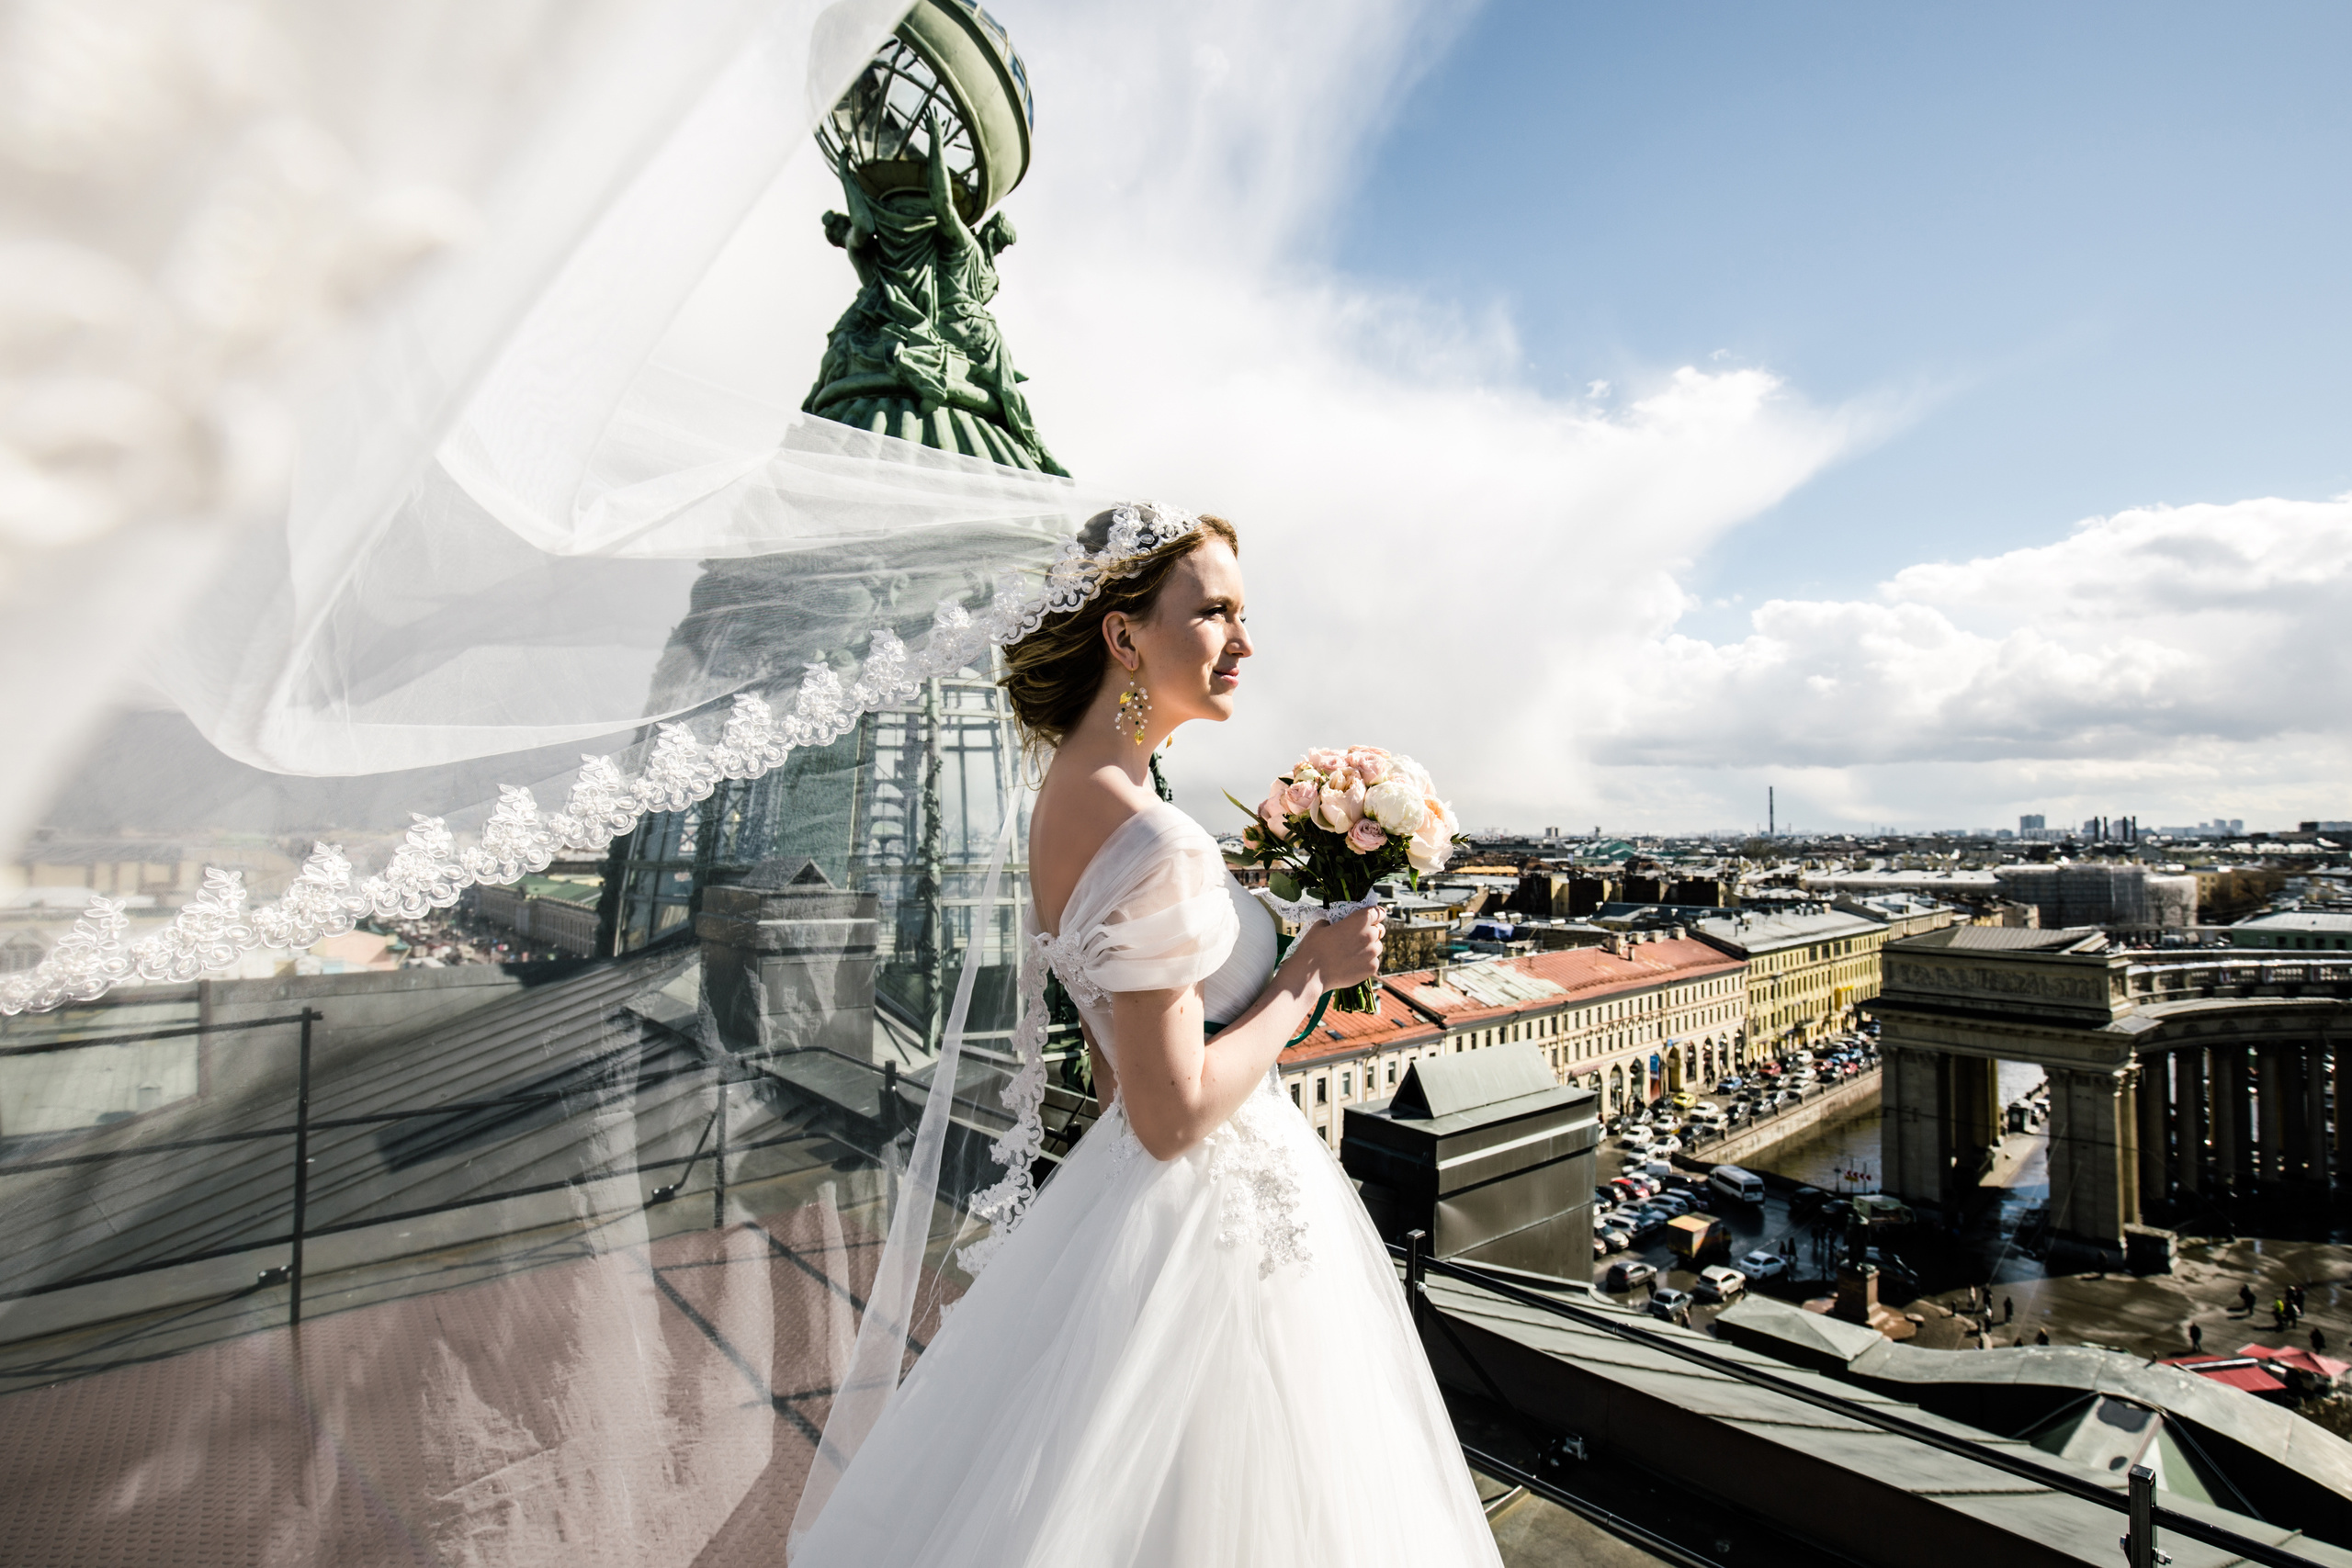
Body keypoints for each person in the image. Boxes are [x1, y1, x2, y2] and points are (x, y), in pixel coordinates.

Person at [789, 510, 1504, 1565]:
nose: (1245, 644)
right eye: (1216, 612)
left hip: (1120, 1216)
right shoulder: (1154, 833)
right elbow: (1165, 1112)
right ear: (1125, 639)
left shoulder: (1069, 797)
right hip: (1210, 1224)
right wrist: (1306, 973)